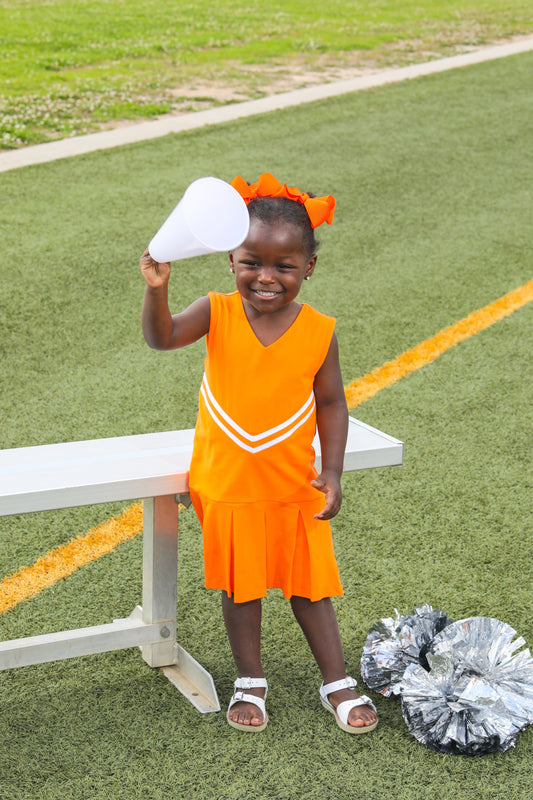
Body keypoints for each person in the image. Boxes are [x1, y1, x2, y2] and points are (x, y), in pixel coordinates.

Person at [140, 172, 378, 734]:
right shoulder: (215, 311)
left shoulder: (319, 330)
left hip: (294, 483)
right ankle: (250, 679)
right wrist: (156, 289)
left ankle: (336, 680)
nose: (266, 277)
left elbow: (333, 403)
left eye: (284, 266)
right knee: (241, 588)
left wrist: (333, 471)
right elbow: (161, 337)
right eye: (252, 262)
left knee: (311, 588)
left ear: (308, 267)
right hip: (228, 484)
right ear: (231, 259)